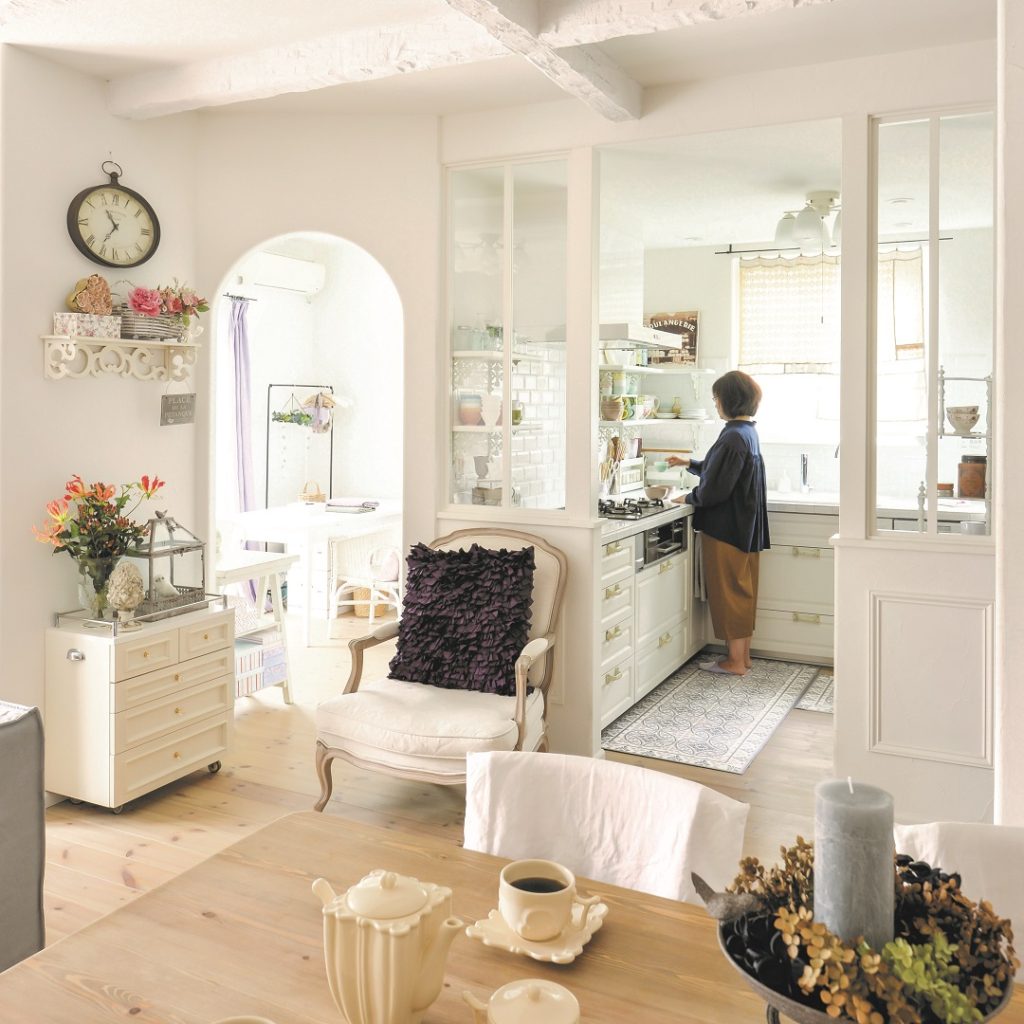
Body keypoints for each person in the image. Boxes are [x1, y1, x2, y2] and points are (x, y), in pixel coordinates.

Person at [668, 370, 769, 676]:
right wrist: (690, 463)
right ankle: (743, 657)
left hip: (726, 529)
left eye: (716, 398)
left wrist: (687, 498)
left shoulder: (733, 436)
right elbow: (723, 472)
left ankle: (734, 662)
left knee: (729, 595)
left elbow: (715, 489)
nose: (715, 404)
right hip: (745, 528)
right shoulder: (747, 432)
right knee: (743, 592)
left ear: (729, 399)